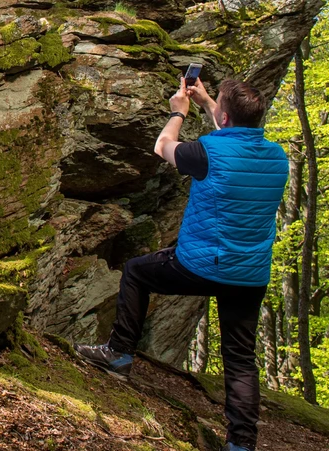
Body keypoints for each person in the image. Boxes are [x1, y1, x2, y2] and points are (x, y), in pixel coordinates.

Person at [74, 76, 288, 451]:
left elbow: (163, 146)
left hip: (200, 266)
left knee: (137, 272)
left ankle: (119, 353)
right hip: (249, 274)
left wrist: (179, 112)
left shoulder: (207, 151)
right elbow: (237, 138)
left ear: (224, 117)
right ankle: (241, 443)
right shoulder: (276, 157)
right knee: (241, 358)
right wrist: (207, 102)